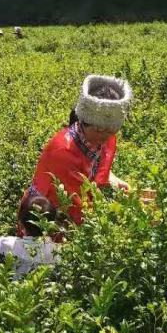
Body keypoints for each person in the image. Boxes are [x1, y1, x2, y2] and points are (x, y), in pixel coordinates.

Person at [17, 74, 133, 236]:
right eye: (99, 130)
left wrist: (114, 180)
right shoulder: (62, 151)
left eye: (111, 130)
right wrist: (113, 214)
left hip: (77, 202)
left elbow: (97, 166)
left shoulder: (105, 137)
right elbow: (74, 203)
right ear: (84, 121)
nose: (105, 136)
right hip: (44, 212)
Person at [0, 195, 61, 278]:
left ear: (21, 223)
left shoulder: (12, 245)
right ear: (52, 224)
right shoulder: (58, 251)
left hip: (18, 288)